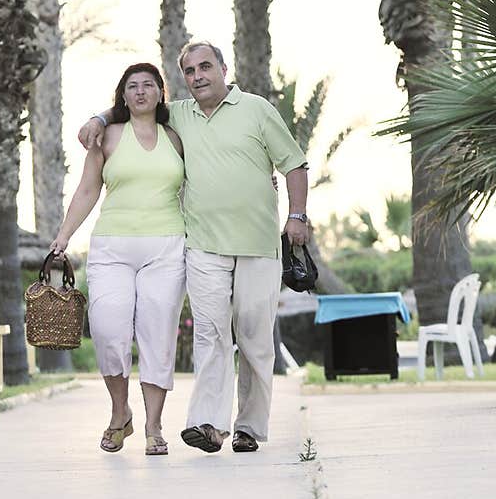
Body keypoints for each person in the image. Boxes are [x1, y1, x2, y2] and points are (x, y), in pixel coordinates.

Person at [78, 41, 309, 455]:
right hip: (202, 245)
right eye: (189, 70)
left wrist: (298, 215)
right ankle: (209, 424)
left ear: (223, 68)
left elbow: (293, 163)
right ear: (182, 78)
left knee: (255, 339)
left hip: (258, 245)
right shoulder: (179, 115)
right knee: (210, 335)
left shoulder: (256, 109)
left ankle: (249, 428)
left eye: (206, 66)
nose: (198, 75)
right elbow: (133, 107)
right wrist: (99, 116)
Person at [51, 62, 186, 456]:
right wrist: (62, 238)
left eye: (148, 85)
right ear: (122, 95)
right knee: (109, 331)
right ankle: (119, 412)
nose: (141, 91)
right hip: (112, 247)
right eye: (132, 86)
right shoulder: (107, 135)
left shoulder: (177, 138)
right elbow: (88, 190)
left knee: (158, 334)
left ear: (161, 92)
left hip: (166, 246)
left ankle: (154, 426)